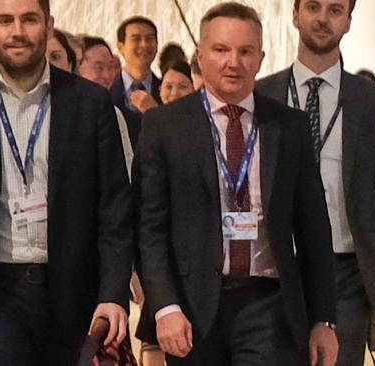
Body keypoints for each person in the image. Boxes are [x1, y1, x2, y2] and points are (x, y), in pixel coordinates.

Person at [134, 2, 338, 365]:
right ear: (200, 55)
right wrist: (164, 305)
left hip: (269, 305)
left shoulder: (288, 127)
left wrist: (324, 318)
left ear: (261, 58)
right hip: (193, 308)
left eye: (245, 52)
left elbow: (313, 229)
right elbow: (150, 228)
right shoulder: (164, 127)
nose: (234, 62)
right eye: (221, 50)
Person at [0, 0, 133, 364]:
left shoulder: (89, 103)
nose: (17, 32)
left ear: (48, 24)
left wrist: (113, 294)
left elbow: (115, 210)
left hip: (73, 292)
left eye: (29, 19)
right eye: (5, 21)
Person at [257, 1, 375, 365]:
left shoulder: (372, 101)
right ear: (296, 16)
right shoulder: (262, 95)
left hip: (346, 265)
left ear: (348, 21)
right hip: (276, 264)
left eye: (335, 10)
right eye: (313, 7)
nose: (322, 18)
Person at [78, 35, 133, 177]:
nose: (107, 75)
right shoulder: (64, 110)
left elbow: (128, 165)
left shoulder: (116, 114)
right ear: (77, 67)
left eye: (110, 67)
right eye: (99, 68)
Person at [111, 16, 161, 147]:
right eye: (136, 39)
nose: (144, 45)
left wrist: (155, 113)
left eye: (150, 39)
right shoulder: (106, 92)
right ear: (121, 47)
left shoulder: (168, 91)